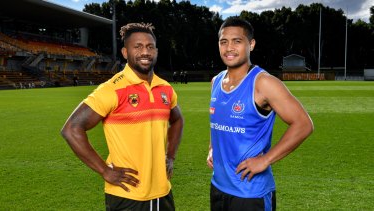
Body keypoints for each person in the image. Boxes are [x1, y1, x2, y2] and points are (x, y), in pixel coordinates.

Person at [61, 22, 184, 211]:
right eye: (138, 46)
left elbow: (177, 120)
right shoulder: (112, 89)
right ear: (125, 53)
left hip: (163, 192)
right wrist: (104, 171)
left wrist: (171, 157)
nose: (145, 52)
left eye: (150, 47)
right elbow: (71, 129)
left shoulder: (165, 88)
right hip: (126, 194)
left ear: (156, 51)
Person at [206, 17, 314, 211]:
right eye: (224, 42)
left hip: (250, 193)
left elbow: (303, 124)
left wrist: (265, 160)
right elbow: (217, 122)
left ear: (251, 44)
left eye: (237, 41)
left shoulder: (263, 83)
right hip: (218, 188)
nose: (229, 47)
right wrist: (212, 148)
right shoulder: (216, 81)